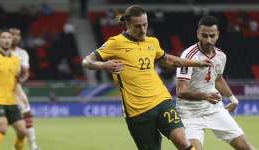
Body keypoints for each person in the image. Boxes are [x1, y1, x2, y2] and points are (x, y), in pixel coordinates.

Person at [82, 5, 211, 150]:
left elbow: (170, 60)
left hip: (162, 100)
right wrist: (104, 66)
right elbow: (87, 62)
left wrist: (197, 63)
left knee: (183, 142)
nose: (143, 30)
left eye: (145, 25)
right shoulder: (115, 43)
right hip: (137, 112)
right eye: (138, 26)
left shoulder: (152, 42)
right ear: (128, 25)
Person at [176, 15, 255, 150]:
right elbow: (181, 92)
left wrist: (233, 99)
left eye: (212, 36)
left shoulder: (220, 56)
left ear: (218, 35)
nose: (208, 40)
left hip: (214, 109)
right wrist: (205, 96)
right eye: (204, 35)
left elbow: (217, 78)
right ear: (197, 34)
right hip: (190, 113)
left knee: (245, 147)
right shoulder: (188, 56)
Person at [9, 28, 39, 150]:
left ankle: (33, 145)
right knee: (3, 123)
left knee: (27, 114)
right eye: (12, 35)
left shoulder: (22, 54)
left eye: (18, 35)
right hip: (0, 89)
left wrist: (20, 78)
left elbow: (25, 73)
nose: (15, 37)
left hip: (15, 87)